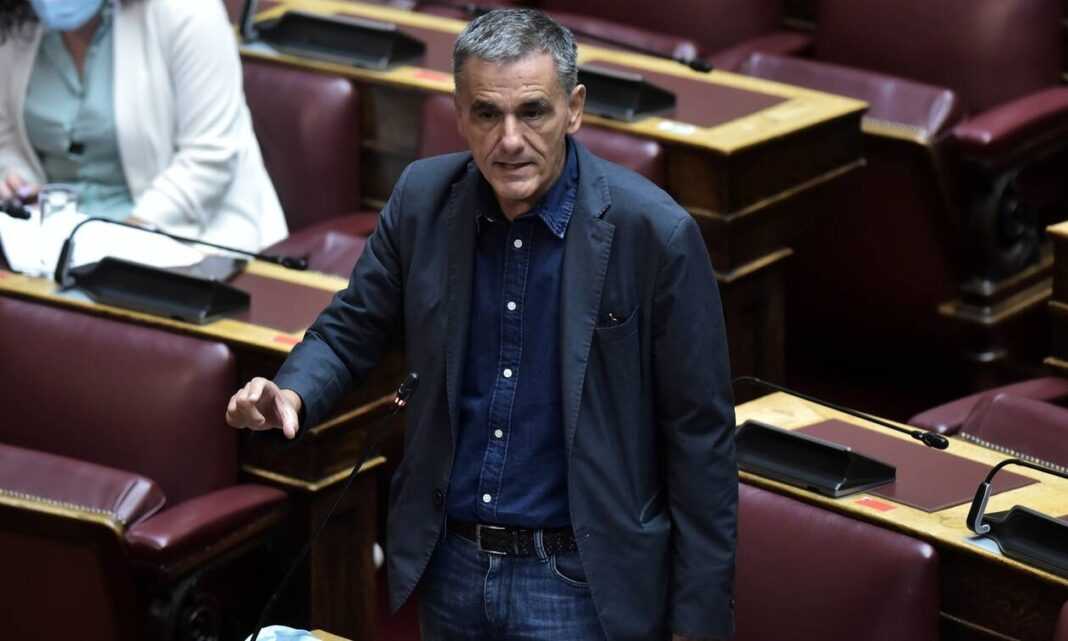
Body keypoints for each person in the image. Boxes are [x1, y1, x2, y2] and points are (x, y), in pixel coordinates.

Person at [226, 9, 736, 641]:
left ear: (574, 109)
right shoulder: (422, 199)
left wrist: (698, 625)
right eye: (487, 114)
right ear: (459, 113)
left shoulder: (653, 234)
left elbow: (700, 440)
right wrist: (292, 391)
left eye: (533, 112)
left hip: (578, 577)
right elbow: (350, 327)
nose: (510, 140)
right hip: (453, 564)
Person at [0, 0, 287, 251]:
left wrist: (120, 240)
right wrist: (18, 183)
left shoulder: (187, 10)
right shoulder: (14, 19)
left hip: (182, 236)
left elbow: (209, 157)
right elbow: (6, 137)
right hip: (46, 242)